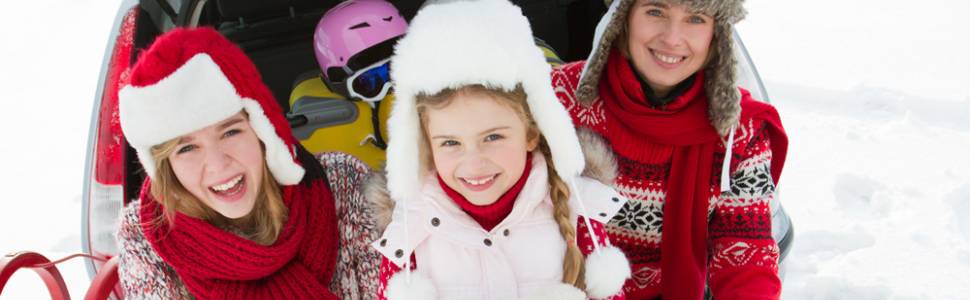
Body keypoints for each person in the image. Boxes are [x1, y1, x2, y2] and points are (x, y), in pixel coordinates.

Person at [366, 1, 634, 299]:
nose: (474, 163)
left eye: (493, 137)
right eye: (451, 143)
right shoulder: (410, 228)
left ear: (532, 133)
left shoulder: (576, 208)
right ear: (426, 144)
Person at [115, 27, 380, 299]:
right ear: (165, 165)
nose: (217, 165)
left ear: (263, 130)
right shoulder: (145, 235)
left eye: (231, 132)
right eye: (187, 148)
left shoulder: (343, 184)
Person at [550, 0, 790, 299]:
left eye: (696, 19)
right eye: (655, 12)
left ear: (717, 33)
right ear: (623, 19)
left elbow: (746, 256)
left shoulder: (739, 131)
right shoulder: (555, 100)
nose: (672, 38)